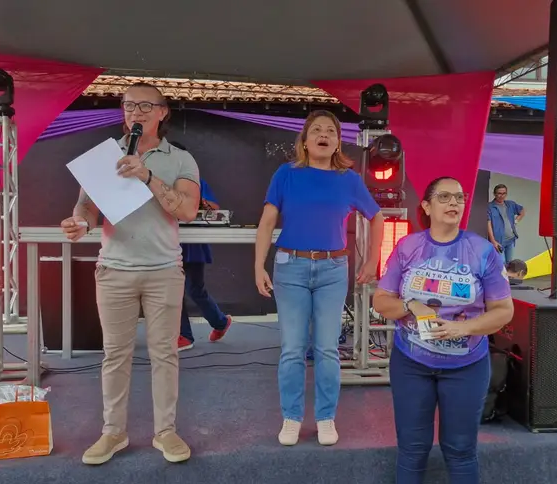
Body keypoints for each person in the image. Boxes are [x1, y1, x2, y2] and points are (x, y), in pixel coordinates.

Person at [61, 83, 200, 466]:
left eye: (145, 106)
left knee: (165, 354)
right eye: (128, 105)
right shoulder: (103, 156)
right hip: (114, 269)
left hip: (163, 270)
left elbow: (187, 211)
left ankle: (165, 431)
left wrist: (147, 175)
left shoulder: (180, 159)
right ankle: (113, 432)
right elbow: (86, 207)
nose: (135, 112)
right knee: (115, 355)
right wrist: (80, 223)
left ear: (163, 111)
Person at [372, 176, 514, 484]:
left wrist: (463, 328)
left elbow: (504, 311)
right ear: (426, 206)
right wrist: (410, 305)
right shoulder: (408, 246)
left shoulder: (483, 251)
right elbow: (381, 301)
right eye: (445, 197)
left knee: (461, 450)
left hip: (467, 366)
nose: (454, 203)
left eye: (459, 198)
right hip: (411, 364)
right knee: (412, 449)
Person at [254, 110, 384, 447]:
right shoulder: (286, 174)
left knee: (327, 349)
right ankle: (292, 417)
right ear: (305, 140)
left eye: (330, 131)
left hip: (332, 270)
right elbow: (267, 222)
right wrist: (258, 265)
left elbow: (377, 217)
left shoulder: (349, 179)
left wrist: (372, 260)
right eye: (316, 130)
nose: (323, 135)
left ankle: (326, 417)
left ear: (338, 142)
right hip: (290, 267)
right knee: (292, 349)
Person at [177, 175, 233, 351]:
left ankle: (220, 322)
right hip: (168, 240)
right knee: (173, 291)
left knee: (196, 290)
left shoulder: (195, 181)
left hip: (193, 242)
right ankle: (184, 335)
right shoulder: (157, 181)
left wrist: (200, 202)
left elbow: (214, 208)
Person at [486, 184, 524, 263]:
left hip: (510, 240)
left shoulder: (510, 204)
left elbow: (522, 211)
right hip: (498, 241)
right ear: (494, 194)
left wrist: (516, 221)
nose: (502, 196)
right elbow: (488, 224)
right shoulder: (489, 207)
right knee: (501, 263)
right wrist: (493, 241)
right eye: (499, 193)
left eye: (504, 193)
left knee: (509, 263)